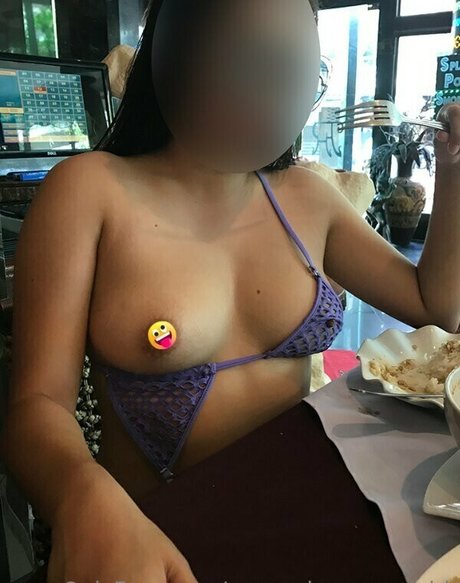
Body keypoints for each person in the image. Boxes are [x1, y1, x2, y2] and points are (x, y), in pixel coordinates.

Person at [2, 0, 460, 581]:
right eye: (244, 62)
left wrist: (454, 167)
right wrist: (78, 493)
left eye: (291, 69)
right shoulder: (89, 192)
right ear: (173, 56)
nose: (268, 96)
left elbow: (434, 304)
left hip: (301, 514)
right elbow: (36, 406)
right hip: (156, 538)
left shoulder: (307, 197)